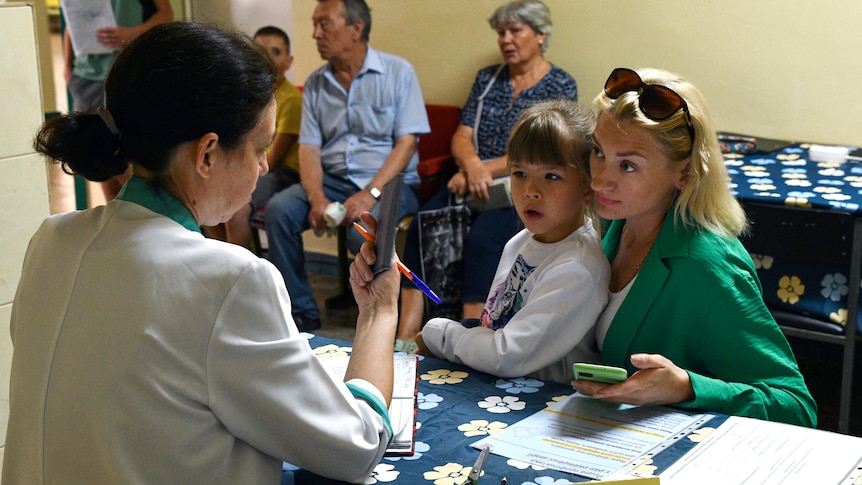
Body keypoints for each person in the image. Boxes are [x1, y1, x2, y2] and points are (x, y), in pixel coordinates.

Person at [4, 22, 402, 484]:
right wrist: (378, 313)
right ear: (207, 153)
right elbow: (356, 446)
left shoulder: (52, 240)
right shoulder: (227, 279)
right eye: (260, 146)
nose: (265, 165)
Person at [572, 67, 817, 426]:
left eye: (627, 165)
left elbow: (795, 407)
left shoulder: (708, 265)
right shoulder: (615, 223)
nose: (600, 179)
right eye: (598, 152)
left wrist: (688, 388)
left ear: (684, 173)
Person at [395, 0, 578, 352]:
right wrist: (470, 167)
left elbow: (543, 152)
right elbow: (462, 135)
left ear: (540, 35)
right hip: (470, 178)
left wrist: (481, 169)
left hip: (520, 186)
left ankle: (474, 334)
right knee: (422, 221)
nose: (506, 39)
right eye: (501, 33)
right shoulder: (488, 78)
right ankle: (406, 334)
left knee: (484, 237)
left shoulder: (559, 84)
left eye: (515, 31)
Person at [412, 101, 609, 384]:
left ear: (588, 188)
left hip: (543, 401)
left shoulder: (578, 268)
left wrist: (441, 334)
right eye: (520, 174)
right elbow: (494, 324)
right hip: (501, 380)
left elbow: (507, 354)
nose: (531, 190)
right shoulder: (521, 241)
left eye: (551, 176)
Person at [264, 0, 430, 332]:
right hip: (335, 181)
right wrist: (316, 198)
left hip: (392, 183)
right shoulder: (315, 84)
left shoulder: (398, 72)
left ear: (356, 28)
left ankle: (380, 318)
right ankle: (302, 313)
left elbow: (407, 143)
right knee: (279, 210)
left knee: (365, 230)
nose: (314, 34)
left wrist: (370, 193)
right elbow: (309, 148)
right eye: (313, 25)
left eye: (324, 24)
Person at [62, 0, 173, 202]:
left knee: (130, 161)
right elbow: (73, 20)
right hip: (86, 77)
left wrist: (130, 34)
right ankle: (118, 221)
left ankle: (145, 219)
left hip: (128, 75)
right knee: (101, 159)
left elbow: (166, 15)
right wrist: (68, 67)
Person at [224, 25, 303, 249]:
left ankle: (235, 270)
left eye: (275, 52)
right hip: (253, 162)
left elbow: (275, 158)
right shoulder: (248, 94)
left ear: (288, 62)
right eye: (259, 50)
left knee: (236, 206)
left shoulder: (291, 99)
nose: (267, 57)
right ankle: (221, 257)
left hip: (281, 171)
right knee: (210, 189)